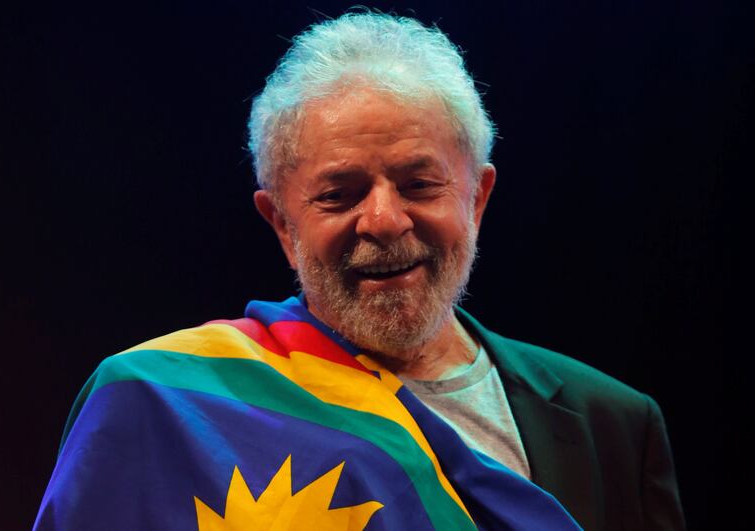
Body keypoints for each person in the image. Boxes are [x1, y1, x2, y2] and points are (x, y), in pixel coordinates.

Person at [35, 12, 684, 530]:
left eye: (418, 183)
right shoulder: (161, 403)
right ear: (282, 225)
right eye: (339, 194)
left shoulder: (615, 424)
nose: (383, 220)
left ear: (476, 198)